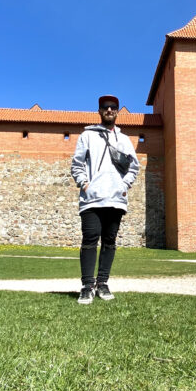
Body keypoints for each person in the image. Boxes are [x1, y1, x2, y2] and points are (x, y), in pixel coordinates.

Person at [70, 94, 141, 304]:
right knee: (90, 239)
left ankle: (102, 283)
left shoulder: (124, 139)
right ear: (99, 111)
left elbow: (134, 166)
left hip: (115, 198)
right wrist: (84, 184)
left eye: (113, 107)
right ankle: (86, 286)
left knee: (109, 242)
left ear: (117, 112)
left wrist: (124, 185)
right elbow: (77, 164)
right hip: (92, 199)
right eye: (105, 107)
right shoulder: (87, 136)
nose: (109, 110)